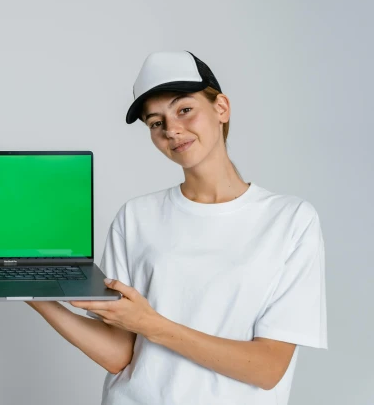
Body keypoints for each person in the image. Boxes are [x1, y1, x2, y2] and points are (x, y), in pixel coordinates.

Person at [25, 50, 328, 405]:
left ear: (221, 108)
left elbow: (267, 369)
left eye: (184, 109)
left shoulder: (290, 221)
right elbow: (120, 356)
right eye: (156, 122)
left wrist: (151, 325)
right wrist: (34, 293)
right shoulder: (135, 216)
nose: (172, 130)